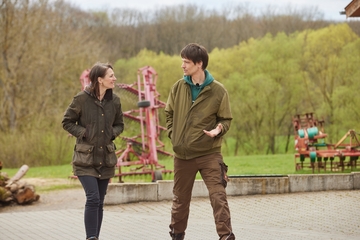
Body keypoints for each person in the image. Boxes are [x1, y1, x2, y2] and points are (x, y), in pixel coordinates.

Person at [165, 43, 235, 240]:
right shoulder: (178, 87)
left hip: (209, 154)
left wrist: (218, 129)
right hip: (182, 156)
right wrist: (174, 134)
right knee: (180, 201)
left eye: (186, 62)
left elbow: (226, 119)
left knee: (218, 197)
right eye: (182, 61)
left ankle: (226, 236)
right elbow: (168, 113)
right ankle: (177, 236)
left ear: (199, 63)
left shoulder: (218, 91)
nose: (182, 66)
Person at [62, 62, 124, 240]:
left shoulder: (115, 101)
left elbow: (120, 124)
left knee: (100, 202)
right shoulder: (81, 99)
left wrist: (113, 132)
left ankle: (95, 237)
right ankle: (91, 238)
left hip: (106, 159)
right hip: (85, 160)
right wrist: (83, 132)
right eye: (111, 75)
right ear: (100, 79)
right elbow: (66, 122)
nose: (114, 78)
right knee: (93, 199)